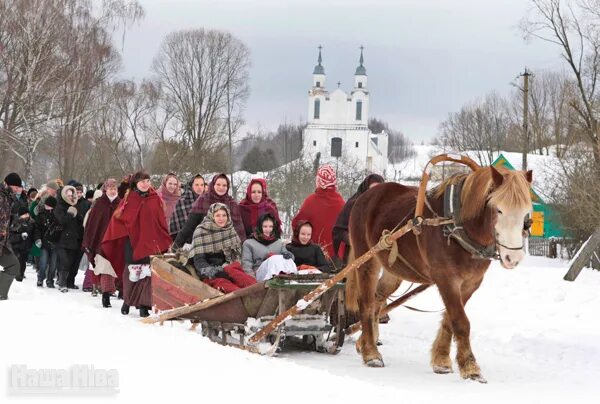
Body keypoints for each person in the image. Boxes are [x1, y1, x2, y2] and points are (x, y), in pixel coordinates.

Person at [102, 171, 171, 317]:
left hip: (151, 241)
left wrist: (162, 237)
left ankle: (144, 305)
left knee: (147, 273)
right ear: (135, 183)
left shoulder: (155, 199)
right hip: (132, 242)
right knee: (132, 273)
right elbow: (119, 220)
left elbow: (160, 220)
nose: (146, 184)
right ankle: (127, 300)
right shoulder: (129, 199)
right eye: (142, 181)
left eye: (148, 181)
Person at [190, 203, 256, 293]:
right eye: (217, 215)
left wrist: (230, 267)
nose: (221, 219)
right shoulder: (201, 231)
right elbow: (199, 261)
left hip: (230, 268)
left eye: (224, 215)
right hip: (211, 273)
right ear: (211, 216)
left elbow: (237, 255)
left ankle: (257, 293)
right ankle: (240, 298)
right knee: (232, 290)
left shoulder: (230, 230)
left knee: (249, 282)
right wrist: (214, 272)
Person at [173, 174, 245, 249]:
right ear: (213, 185)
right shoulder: (203, 200)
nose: (221, 187)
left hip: (226, 245)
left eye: (224, 185)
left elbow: (239, 229)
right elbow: (189, 226)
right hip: (205, 244)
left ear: (227, 187)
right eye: (218, 184)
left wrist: (242, 248)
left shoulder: (231, 203)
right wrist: (175, 247)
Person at [291, 165, 345, 259]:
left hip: (313, 256)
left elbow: (297, 224)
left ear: (318, 180)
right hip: (337, 257)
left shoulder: (311, 201)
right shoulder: (341, 202)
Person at [81, 179, 120, 306]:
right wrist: (90, 241)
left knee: (116, 267)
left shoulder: (121, 204)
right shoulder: (99, 204)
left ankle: (115, 292)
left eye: (115, 188)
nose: (113, 191)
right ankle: (105, 295)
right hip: (101, 242)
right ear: (105, 190)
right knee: (105, 268)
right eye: (110, 188)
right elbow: (93, 224)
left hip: (117, 242)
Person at [332, 174, 384, 264]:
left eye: (378, 189)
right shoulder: (353, 204)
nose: (375, 192)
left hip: (378, 256)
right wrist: (353, 240)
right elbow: (338, 231)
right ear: (366, 188)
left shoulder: (384, 206)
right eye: (372, 189)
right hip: (354, 254)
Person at [241, 213, 295, 281]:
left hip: (278, 273)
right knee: (273, 259)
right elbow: (246, 264)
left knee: (280, 259)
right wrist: (252, 280)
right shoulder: (249, 243)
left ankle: (290, 280)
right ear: (259, 227)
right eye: (265, 226)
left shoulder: (278, 242)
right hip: (259, 275)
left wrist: (289, 255)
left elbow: (288, 258)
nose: (268, 229)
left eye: (270, 226)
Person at [54, 185, 84, 292]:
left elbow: (80, 223)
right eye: (68, 194)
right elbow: (61, 220)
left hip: (73, 239)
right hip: (61, 239)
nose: (70, 197)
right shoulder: (59, 206)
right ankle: (62, 283)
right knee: (64, 261)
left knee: (70, 262)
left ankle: (67, 282)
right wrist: (70, 214)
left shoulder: (76, 205)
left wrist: (79, 216)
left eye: (72, 194)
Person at [0, 173, 24, 300]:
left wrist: (18, 220)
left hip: (3, 242)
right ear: (10, 184)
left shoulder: (9, 198)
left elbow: (7, 223)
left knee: (14, 265)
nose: (17, 190)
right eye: (16, 187)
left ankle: (1, 294)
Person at [33, 196, 59, 288]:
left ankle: (50, 280)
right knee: (43, 262)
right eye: (46, 205)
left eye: (49, 205)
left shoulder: (58, 215)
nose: (47, 207)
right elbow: (37, 229)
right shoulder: (41, 215)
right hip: (44, 242)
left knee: (53, 264)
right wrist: (38, 239)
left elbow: (60, 229)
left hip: (55, 243)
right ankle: (40, 278)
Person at [8, 205, 34, 282]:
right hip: (16, 246)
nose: (26, 215)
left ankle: (21, 274)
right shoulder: (15, 222)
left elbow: (33, 233)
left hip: (26, 246)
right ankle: (17, 275)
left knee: (23, 262)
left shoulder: (31, 223)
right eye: (24, 214)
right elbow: (11, 235)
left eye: (27, 214)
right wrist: (20, 236)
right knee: (17, 260)